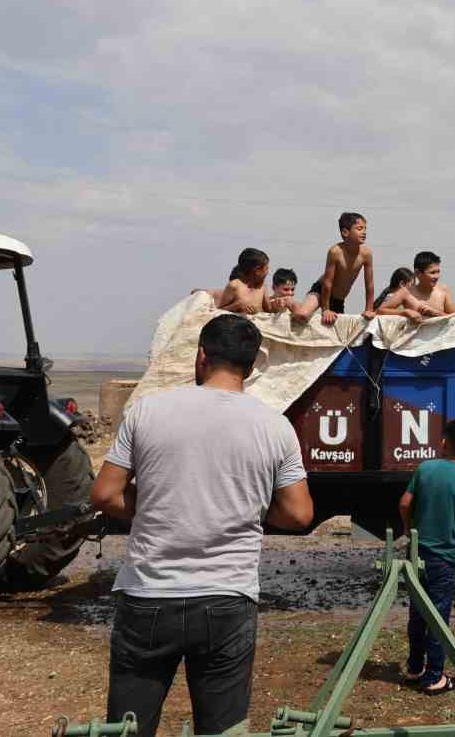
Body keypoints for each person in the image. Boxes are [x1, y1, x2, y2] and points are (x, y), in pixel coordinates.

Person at [93, 314, 313, 737]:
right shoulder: (275, 427)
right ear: (251, 368)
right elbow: (300, 514)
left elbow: (104, 494)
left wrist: (158, 500)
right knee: (222, 729)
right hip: (227, 598)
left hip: (147, 594)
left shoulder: (147, 411)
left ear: (200, 357)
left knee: (127, 727)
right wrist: (244, 506)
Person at [398, 418, 455, 695]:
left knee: (417, 614)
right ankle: (435, 677)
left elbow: (404, 503)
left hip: (417, 552)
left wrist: (408, 529)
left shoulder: (425, 468)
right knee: (438, 617)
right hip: (443, 559)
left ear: (444, 442)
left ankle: (414, 668)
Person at [294, 213, 376, 326]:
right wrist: (325, 309)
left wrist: (369, 309)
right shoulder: (335, 252)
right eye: (359, 228)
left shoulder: (366, 254)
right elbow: (327, 283)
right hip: (321, 291)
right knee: (302, 314)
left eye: (365, 229)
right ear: (345, 232)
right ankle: (290, 302)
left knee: (337, 332)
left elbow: (370, 285)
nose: (364, 232)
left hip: (338, 299)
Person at [200, 248, 272, 314]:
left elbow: (268, 310)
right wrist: (237, 305)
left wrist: (277, 306)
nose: (268, 272)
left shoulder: (262, 286)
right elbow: (219, 311)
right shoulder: (235, 286)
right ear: (257, 270)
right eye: (266, 268)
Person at [411, 251, 455, 318]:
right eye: (432, 273)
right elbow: (390, 311)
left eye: (438, 272)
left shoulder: (443, 291)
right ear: (418, 273)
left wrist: (437, 313)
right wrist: (405, 312)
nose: (437, 276)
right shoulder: (408, 293)